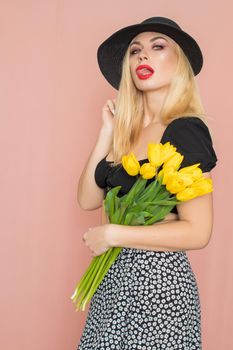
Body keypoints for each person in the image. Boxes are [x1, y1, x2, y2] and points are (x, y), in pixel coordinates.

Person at [76, 16, 218, 350]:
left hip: (159, 289)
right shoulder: (128, 133)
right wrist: (106, 135)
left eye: (158, 47)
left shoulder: (185, 130)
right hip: (113, 283)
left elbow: (198, 232)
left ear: (179, 61)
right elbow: (87, 199)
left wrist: (113, 234)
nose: (143, 56)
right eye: (135, 51)